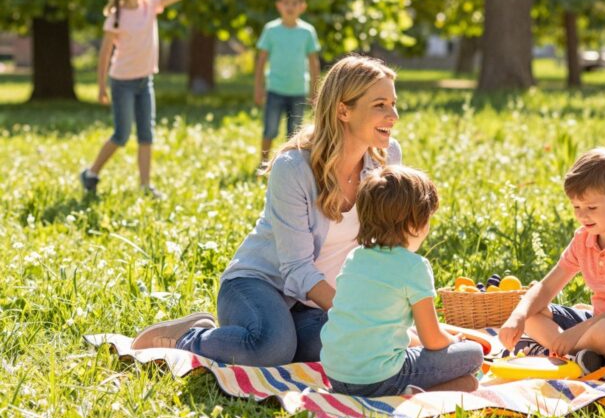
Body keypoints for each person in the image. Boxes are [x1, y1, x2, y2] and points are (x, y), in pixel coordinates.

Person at [130, 55, 401, 366]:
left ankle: (271, 335)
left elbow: (388, 243)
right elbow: (297, 269)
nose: (393, 115)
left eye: (393, 103)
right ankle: (189, 336)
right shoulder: (295, 167)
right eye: (380, 105)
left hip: (314, 301)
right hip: (259, 283)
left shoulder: (387, 158)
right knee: (271, 348)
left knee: (334, 347)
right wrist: (355, 314)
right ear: (343, 110)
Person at [498, 145, 605, 372]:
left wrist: (575, 333)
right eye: (576, 206)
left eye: (591, 207)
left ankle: (569, 353)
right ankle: (583, 356)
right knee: (532, 315)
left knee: (603, 331)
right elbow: (547, 286)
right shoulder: (584, 238)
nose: (581, 215)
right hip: (595, 322)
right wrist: (517, 316)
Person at [321, 166, 484, 396]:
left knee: (467, 381)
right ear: (413, 224)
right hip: (380, 377)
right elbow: (432, 339)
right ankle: (406, 392)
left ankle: (419, 388)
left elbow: (375, 325)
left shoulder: (355, 257)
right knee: (474, 354)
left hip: (338, 375)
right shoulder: (413, 266)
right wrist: (453, 341)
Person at [80, 0, 206, 196]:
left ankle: (146, 186)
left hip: (144, 81)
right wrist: (101, 86)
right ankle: (91, 173)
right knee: (121, 135)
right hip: (122, 84)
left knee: (147, 135)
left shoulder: (150, 5)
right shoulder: (115, 17)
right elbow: (105, 54)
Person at [254, 0, 321, 166]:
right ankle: (264, 163)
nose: (290, 7)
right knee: (270, 129)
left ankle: (289, 166)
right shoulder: (271, 30)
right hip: (275, 89)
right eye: (286, 3)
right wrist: (258, 87)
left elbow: (313, 62)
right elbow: (261, 61)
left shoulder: (307, 32)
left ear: (302, 7)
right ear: (278, 5)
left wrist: (315, 91)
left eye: (294, 3)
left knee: (294, 134)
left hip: (298, 90)